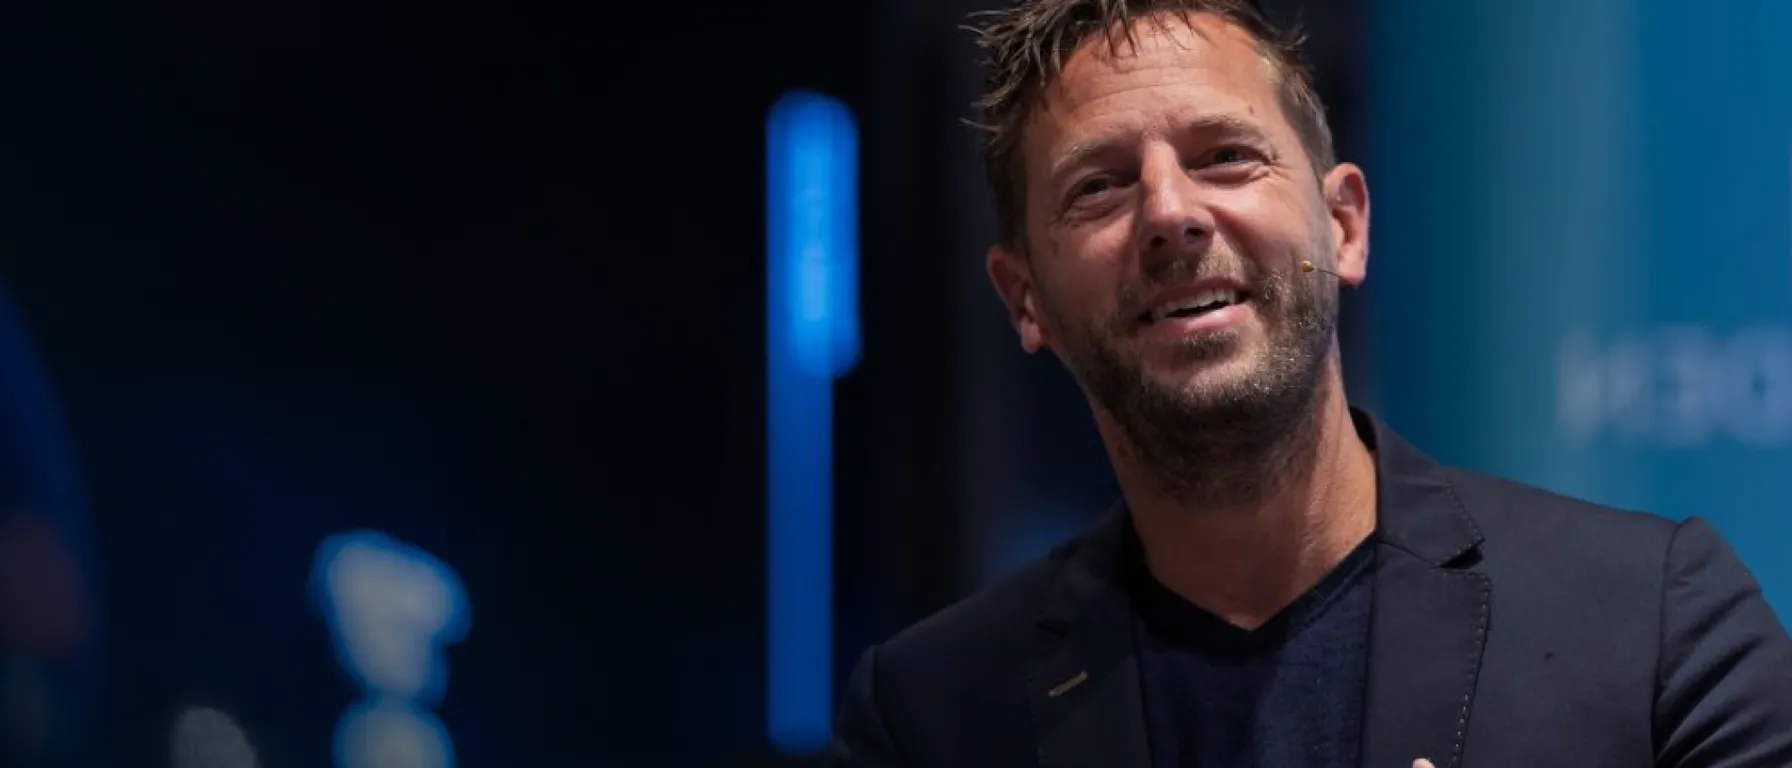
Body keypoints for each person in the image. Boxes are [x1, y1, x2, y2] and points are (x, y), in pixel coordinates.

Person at [826, 1, 1792, 766]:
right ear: (1025, 297)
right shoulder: (928, 717)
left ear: (1345, 226)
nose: (1170, 212)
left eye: (1225, 157)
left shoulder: (1657, 622)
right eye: (1099, 187)